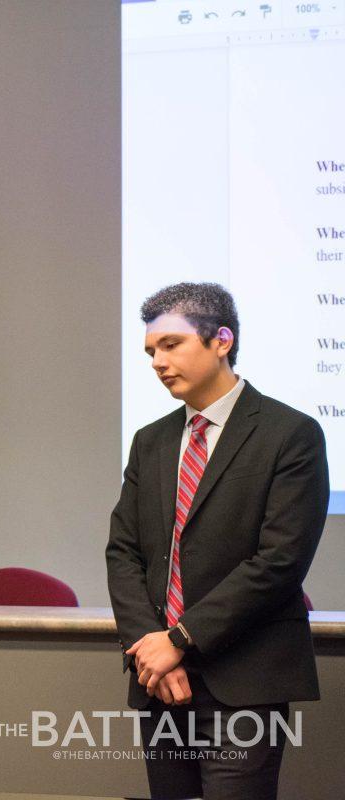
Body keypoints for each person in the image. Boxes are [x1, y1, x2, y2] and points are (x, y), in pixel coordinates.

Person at [106, 282, 328, 800]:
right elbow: (124, 552)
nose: (158, 362)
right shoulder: (151, 440)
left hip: (245, 678)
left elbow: (280, 561)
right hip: (160, 680)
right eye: (150, 351)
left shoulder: (290, 434)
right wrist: (150, 648)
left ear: (221, 340)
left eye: (171, 344)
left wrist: (179, 639)